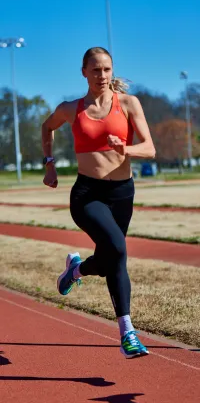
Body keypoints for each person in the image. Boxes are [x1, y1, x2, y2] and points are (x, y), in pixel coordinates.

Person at [42, 46, 156, 359]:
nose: (102, 76)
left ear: (112, 70)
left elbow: (149, 149)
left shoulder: (129, 104)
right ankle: (128, 334)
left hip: (122, 194)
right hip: (87, 194)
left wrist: (125, 150)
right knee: (118, 252)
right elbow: (46, 127)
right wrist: (50, 163)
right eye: (95, 70)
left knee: (108, 259)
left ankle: (75, 271)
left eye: (106, 69)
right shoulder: (70, 109)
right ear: (84, 73)